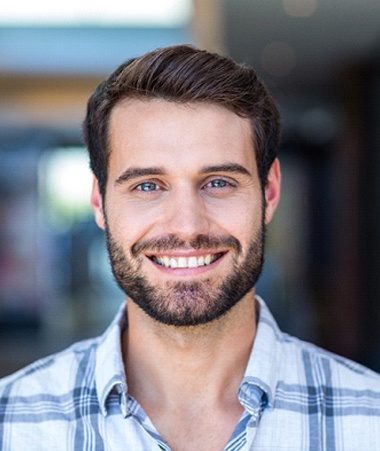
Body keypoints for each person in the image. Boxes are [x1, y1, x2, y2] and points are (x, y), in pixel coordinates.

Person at [1, 45, 380, 451]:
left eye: (218, 182)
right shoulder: (11, 422)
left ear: (270, 193)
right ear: (99, 202)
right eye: (147, 186)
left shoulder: (369, 420)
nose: (186, 227)